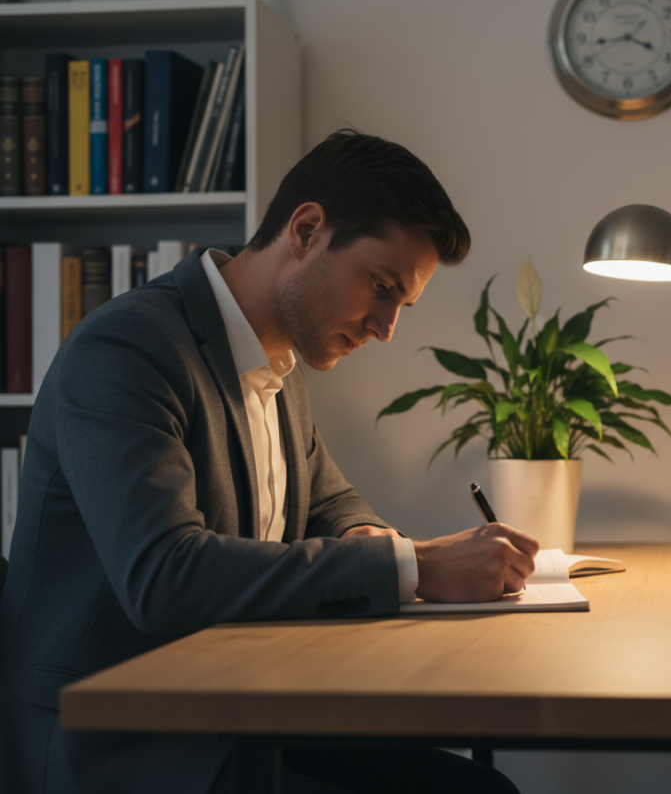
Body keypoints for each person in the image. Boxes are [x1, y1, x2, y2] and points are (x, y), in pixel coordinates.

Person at [0, 130, 537, 794]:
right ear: (307, 230)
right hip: (125, 746)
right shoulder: (128, 348)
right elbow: (163, 576)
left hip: (236, 709)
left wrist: (362, 536)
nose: (385, 325)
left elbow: (326, 499)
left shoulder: (274, 360)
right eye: (381, 286)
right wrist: (415, 565)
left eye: (402, 303)